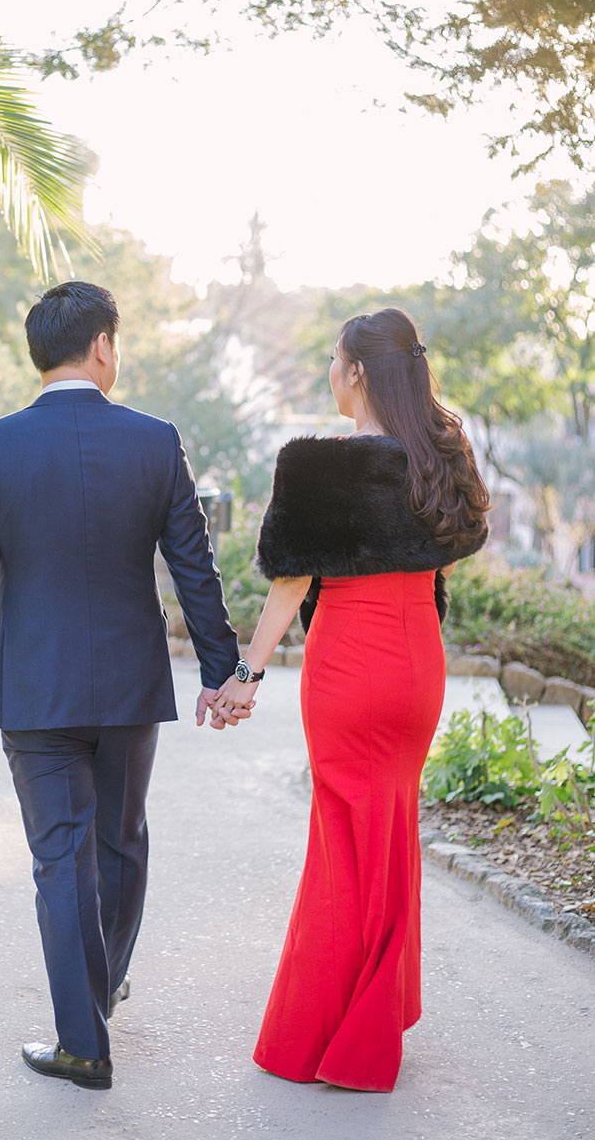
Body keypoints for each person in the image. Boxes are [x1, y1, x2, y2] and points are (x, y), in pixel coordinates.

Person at [0, 281, 241, 1090]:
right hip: (130, 686)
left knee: (60, 856)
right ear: (101, 345)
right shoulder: (154, 440)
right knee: (121, 841)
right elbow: (193, 567)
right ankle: (96, 992)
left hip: (35, 688)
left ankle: (82, 1039)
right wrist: (219, 672)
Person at [208, 307, 489, 1092]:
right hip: (414, 664)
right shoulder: (440, 453)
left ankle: (326, 1036)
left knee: (340, 837)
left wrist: (247, 676)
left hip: (349, 663)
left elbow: (290, 581)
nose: (329, 374)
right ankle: (374, 1015)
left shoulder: (317, 466)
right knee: (391, 829)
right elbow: (443, 558)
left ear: (357, 371)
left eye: (334, 361)